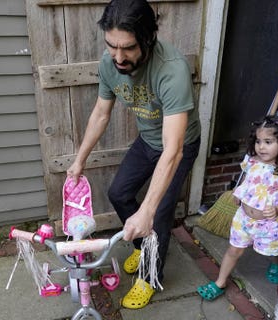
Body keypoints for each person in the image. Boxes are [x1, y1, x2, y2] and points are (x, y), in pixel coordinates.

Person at [66, 0, 201, 309]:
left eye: (127, 48)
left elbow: (174, 149)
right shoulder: (109, 62)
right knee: (119, 193)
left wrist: (149, 210)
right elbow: (101, 113)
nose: (118, 57)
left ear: (147, 39)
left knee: (160, 214)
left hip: (178, 146)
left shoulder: (172, 70)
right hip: (148, 141)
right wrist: (79, 160)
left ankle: (150, 276)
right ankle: (143, 246)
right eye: (111, 46)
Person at [196, 115, 278, 301]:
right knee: (234, 250)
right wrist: (240, 194)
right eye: (258, 141)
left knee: (272, 251)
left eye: (268, 142)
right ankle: (220, 282)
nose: (261, 146)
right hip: (244, 220)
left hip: (268, 224)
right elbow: (249, 181)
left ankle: (276, 264)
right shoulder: (252, 161)